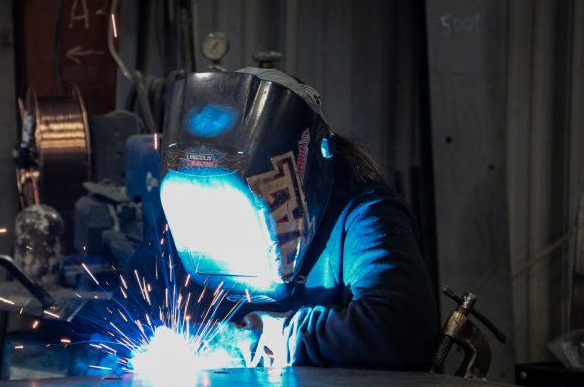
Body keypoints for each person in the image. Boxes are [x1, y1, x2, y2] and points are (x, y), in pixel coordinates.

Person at [158, 67, 439, 370]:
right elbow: (134, 307)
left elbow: (400, 329)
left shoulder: (363, 216)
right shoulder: (190, 209)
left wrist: (265, 340)